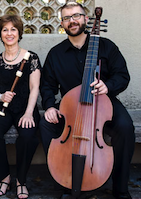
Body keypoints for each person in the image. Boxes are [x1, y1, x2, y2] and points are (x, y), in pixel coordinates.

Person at [39, 2, 135, 199]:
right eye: (67, 18)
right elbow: (47, 85)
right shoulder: (56, 54)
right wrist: (49, 106)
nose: (72, 21)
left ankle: (120, 188)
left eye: (76, 16)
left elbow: (122, 76)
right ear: (62, 23)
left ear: (85, 19)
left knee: (125, 127)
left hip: (103, 103)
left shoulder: (107, 46)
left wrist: (107, 86)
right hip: (71, 107)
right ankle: (65, 180)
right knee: (46, 123)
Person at [0, 14, 41, 199]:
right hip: (3, 107)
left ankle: (21, 180)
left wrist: (28, 113)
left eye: (13, 29)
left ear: (19, 33)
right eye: (5, 29)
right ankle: (4, 177)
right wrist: (1, 96)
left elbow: (35, 88)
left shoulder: (31, 58)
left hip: (26, 107)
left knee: (27, 136)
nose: (9, 33)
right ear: (0, 34)